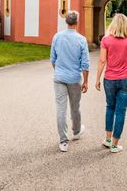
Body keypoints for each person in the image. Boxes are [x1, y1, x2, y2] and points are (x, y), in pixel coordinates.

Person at [95, 13, 127, 153]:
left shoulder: (106, 40)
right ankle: (114, 145)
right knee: (121, 111)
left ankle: (107, 139)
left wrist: (97, 79)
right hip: (126, 79)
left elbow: (102, 61)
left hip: (110, 80)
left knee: (110, 107)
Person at [50, 10, 90, 152]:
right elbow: (85, 64)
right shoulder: (81, 39)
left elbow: (53, 59)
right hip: (74, 78)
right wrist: (85, 81)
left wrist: (59, 71)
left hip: (59, 78)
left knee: (61, 109)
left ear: (66, 22)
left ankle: (63, 141)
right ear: (77, 23)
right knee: (75, 107)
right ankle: (77, 131)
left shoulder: (57, 37)